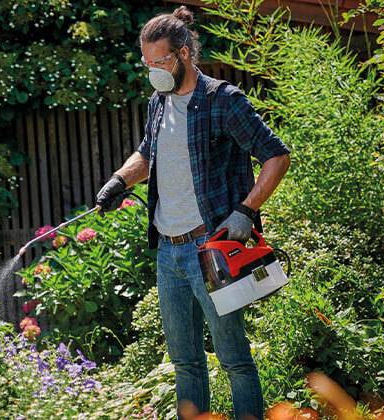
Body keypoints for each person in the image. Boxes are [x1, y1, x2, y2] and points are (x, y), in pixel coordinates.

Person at [96, 6, 290, 420]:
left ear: (184, 53)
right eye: (147, 63)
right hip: (169, 251)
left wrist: (244, 212)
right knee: (186, 364)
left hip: (212, 250)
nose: (153, 71)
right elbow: (149, 154)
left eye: (161, 61)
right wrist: (119, 180)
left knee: (234, 360)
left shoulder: (224, 100)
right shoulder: (158, 101)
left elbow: (276, 156)